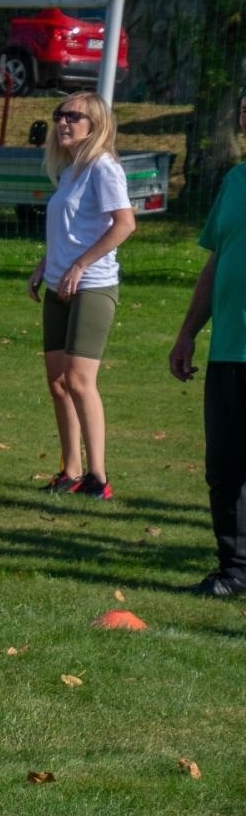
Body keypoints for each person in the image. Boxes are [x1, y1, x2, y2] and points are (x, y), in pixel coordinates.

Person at [29, 92, 136, 500]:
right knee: (57, 382)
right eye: (59, 115)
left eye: (74, 117)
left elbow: (124, 225)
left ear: (96, 124)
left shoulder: (103, 167)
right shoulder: (71, 170)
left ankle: (99, 478)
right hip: (59, 285)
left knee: (78, 380)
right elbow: (72, 230)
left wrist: (80, 265)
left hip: (92, 286)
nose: (63, 123)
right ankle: (70, 470)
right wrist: (46, 265)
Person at [169, 89, 246, 597]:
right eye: (244, 108)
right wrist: (188, 332)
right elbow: (217, 259)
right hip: (229, 351)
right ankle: (236, 570)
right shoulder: (236, 179)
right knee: (225, 467)